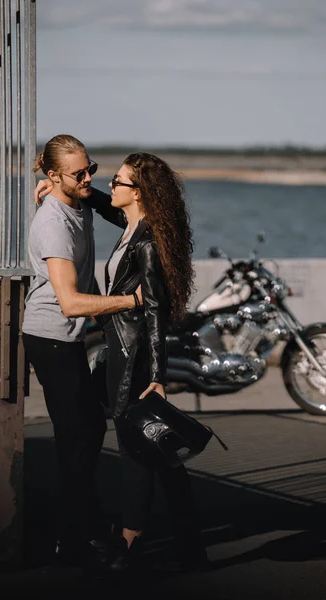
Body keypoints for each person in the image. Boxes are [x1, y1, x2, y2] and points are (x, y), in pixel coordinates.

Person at [23, 134, 142, 567]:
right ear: (54, 175)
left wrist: (74, 189)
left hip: (67, 334)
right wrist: (132, 301)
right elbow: (71, 302)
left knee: (86, 432)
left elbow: (114, 211)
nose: (89, 177)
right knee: (78, 438)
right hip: (50, 335)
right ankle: (72, 542)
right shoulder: (53, 223)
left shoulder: (77, 199)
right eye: (79, 173)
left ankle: (83, 527)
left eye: (91, 168)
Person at [87, 152, 207, 572]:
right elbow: (105, 205)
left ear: (138, 193)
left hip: (134, 357)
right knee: (160, 451)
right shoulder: (133, 226)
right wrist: (75, 192)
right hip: (124, 350)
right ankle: (192, 543)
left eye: (117, 181)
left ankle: (128, 543)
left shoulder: (149, 242)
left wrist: (157, 376)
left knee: (136, 450)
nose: (111, 186)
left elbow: (155, 313)